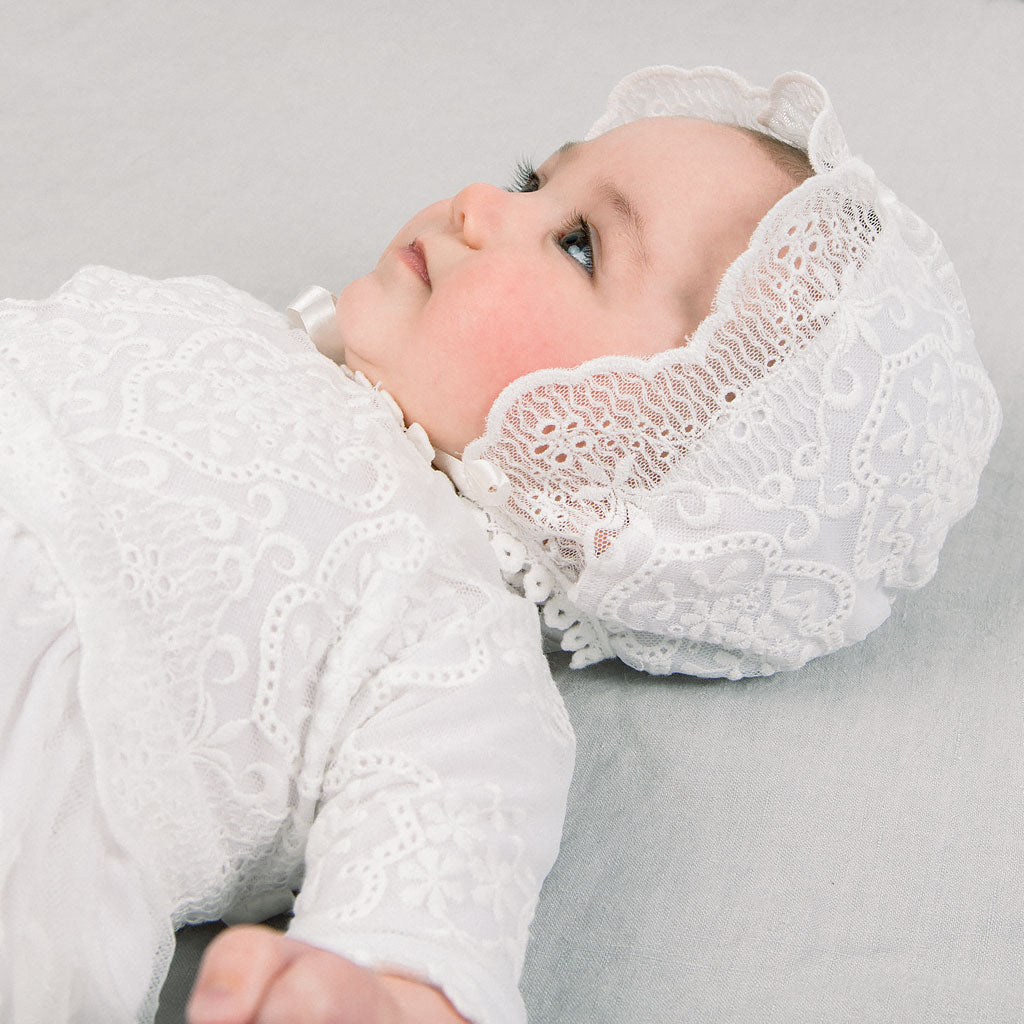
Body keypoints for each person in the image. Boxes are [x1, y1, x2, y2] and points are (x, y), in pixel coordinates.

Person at [0, 65, 999, 1024]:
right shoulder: (246, 329)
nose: (479, 201)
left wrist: (377, 996)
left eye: (575, 243)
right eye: (534, 178)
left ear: (636, 479)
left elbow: (429, 910)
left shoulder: (452, 643)